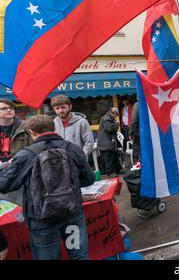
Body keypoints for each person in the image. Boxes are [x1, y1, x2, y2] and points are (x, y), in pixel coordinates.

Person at [0, 115, 95, 260]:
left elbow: (5, 184)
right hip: (72, 214)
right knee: (78, 255)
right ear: (53, 128)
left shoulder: (26, 155)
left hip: (42, 220)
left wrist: (10, 167)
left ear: (31, 132)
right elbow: (89, 179)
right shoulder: (72, 148)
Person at [0, 99, 33, 203]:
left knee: (19, 206)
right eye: (4, 108)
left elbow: (33, 148)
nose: (9, 110)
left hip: (20, 171)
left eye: (11, 108)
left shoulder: (26, 127)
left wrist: (17, 159)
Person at [97, 107, 122, 177]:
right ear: (113, 113)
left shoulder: (108, 118)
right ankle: (110, 173)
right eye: (116, 115)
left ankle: (118, 169)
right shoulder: (106, 119)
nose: (116, 117)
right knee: (109, 158)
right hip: (106, 143)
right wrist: (117, 124)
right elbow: (109, 129)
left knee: (114, 157)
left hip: (109, 142)